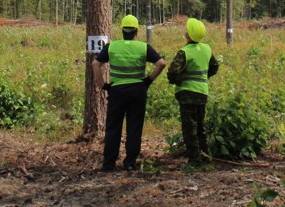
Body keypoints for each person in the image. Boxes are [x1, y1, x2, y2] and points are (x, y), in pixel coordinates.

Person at [92, 15, 166, 172]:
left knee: (113, 127)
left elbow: (95, 64)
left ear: (122, 30)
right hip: (137, 91)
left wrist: (103, 85)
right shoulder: (143, 47)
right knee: (134, 127)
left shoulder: (112, 47)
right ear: (136, 32)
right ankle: (130, 162)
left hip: (117, 91)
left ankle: (109, 164)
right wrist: (148, 80)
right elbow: (161, 63)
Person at [167, 18, 219, 165]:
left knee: (189, 128)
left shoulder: (184, 52)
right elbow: (214, 66)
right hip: (202, 92)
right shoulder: (207, 49)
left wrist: (179, 81)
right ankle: (206, 156)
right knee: (201, 127)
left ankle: (194, 160)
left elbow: (172, 72)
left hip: (186, 94)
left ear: (188, 35)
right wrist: (203, 77)